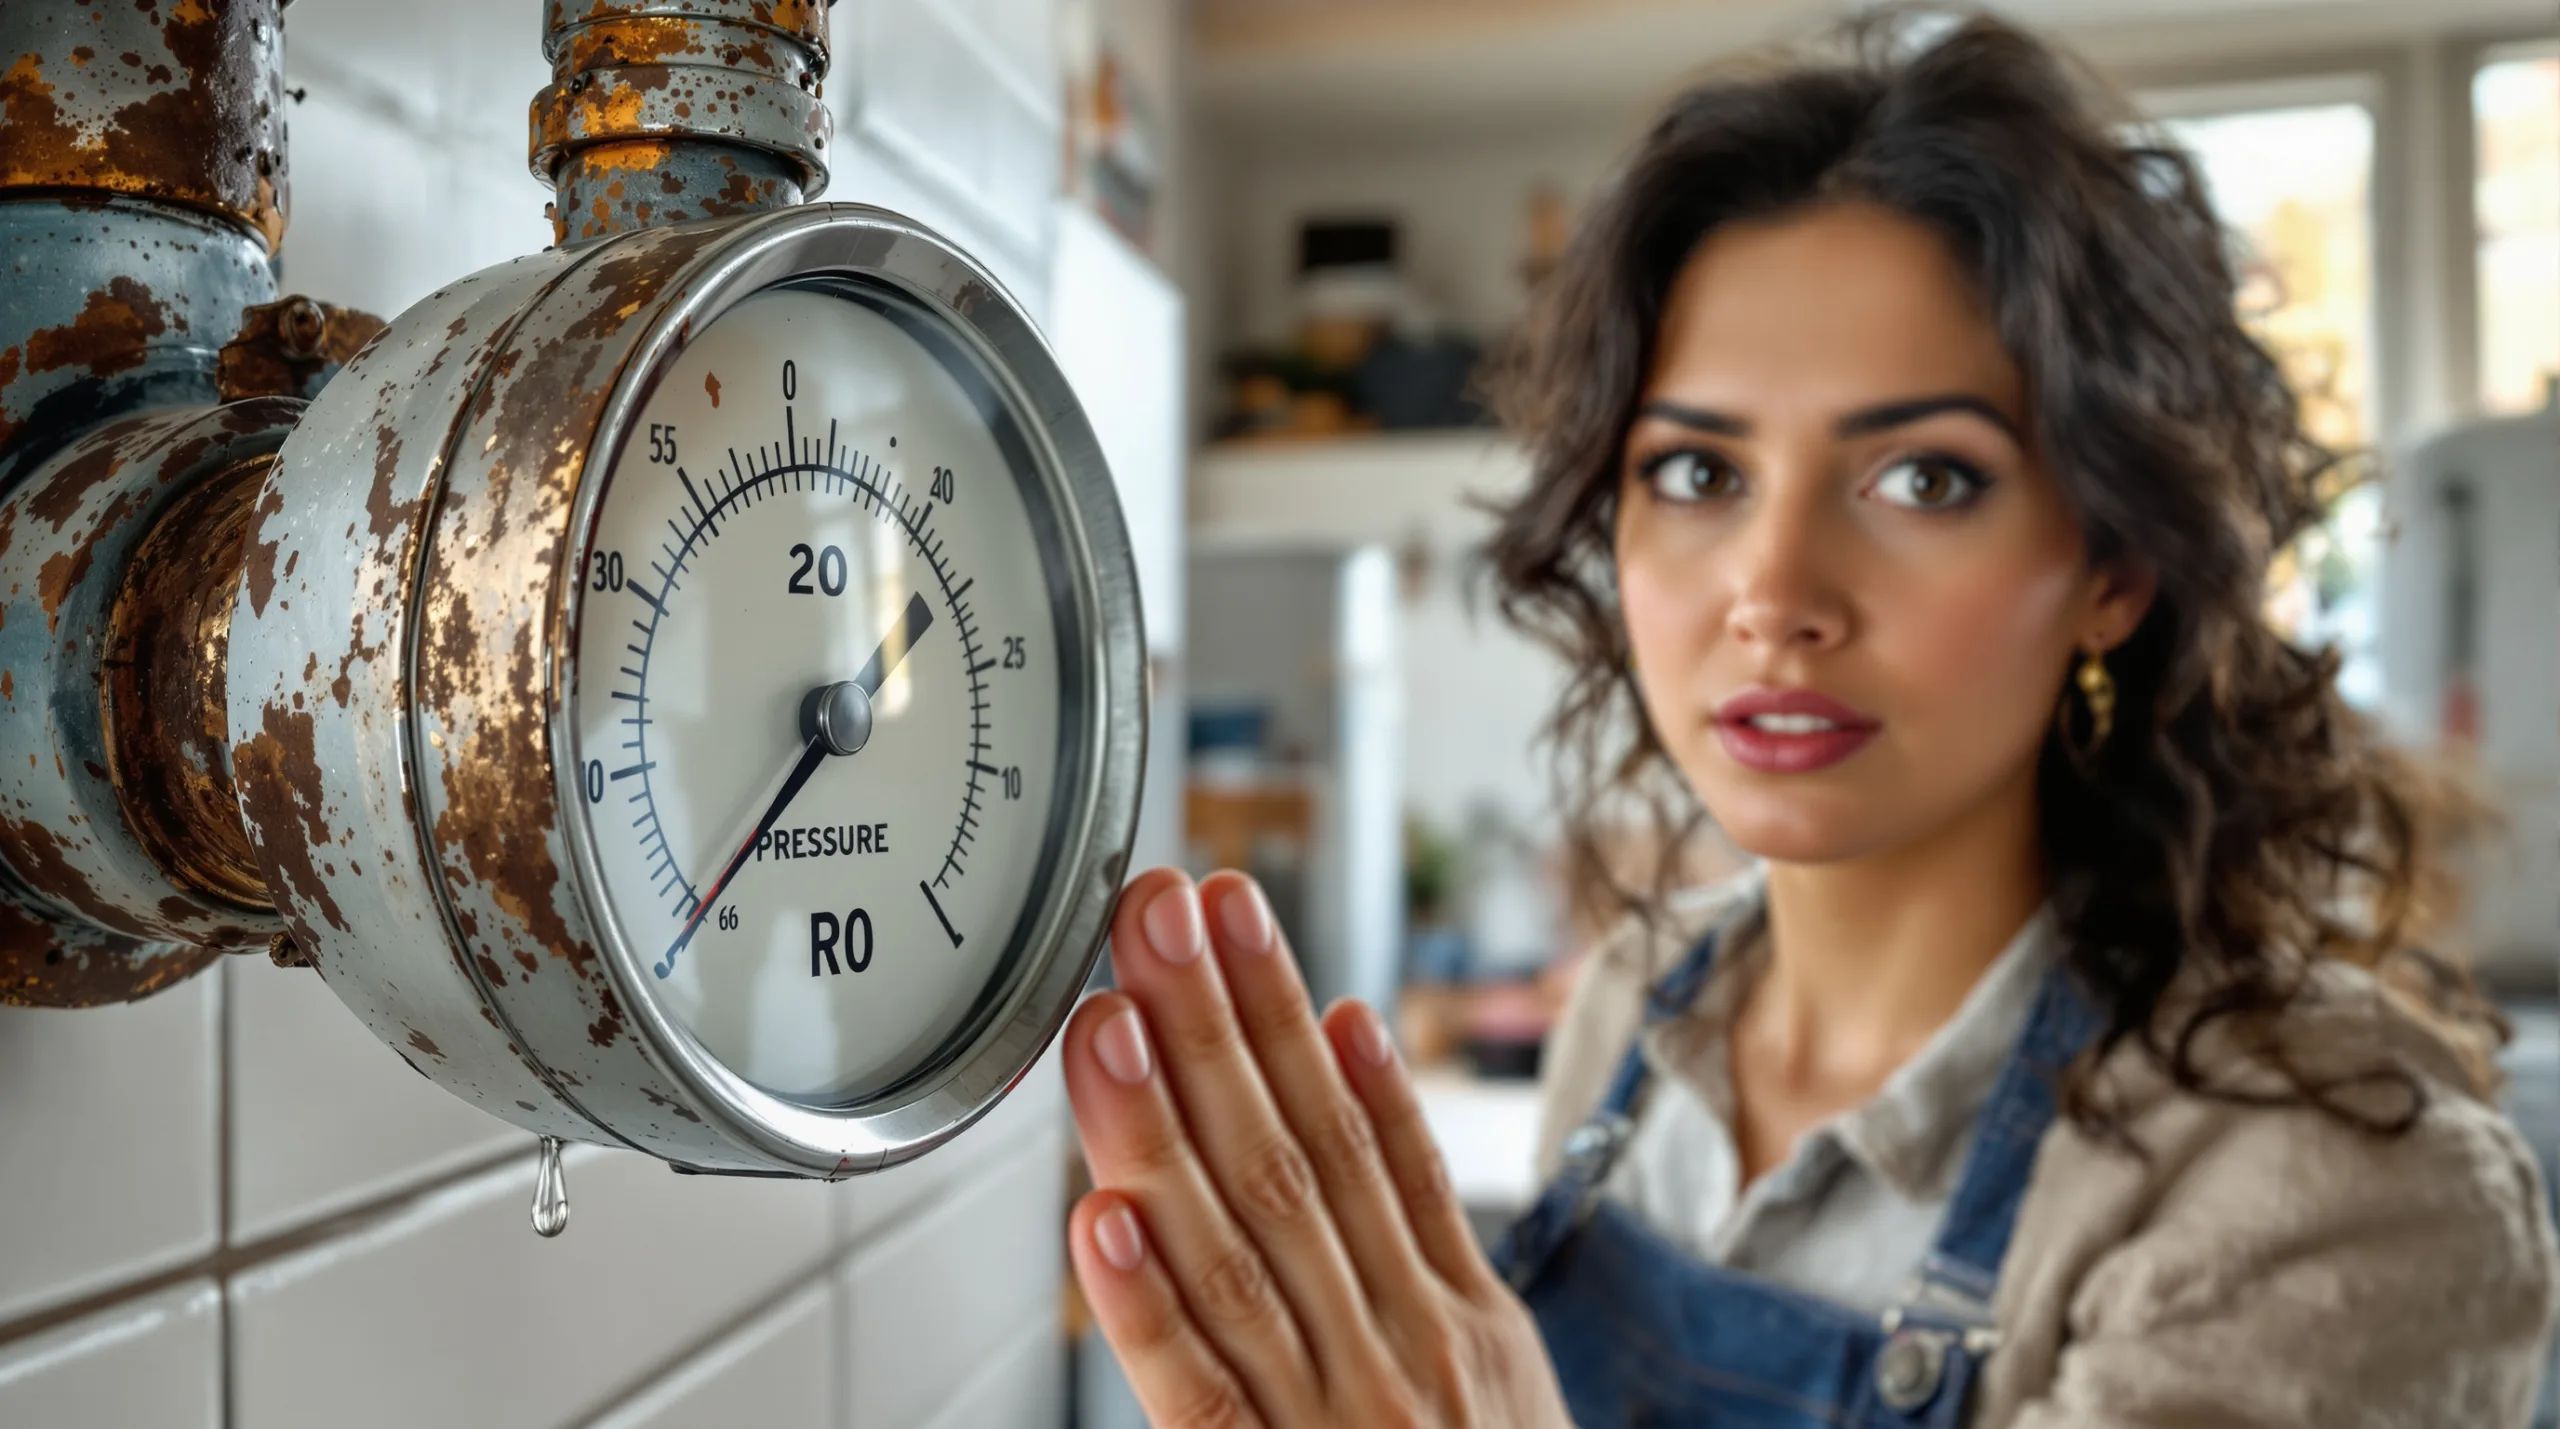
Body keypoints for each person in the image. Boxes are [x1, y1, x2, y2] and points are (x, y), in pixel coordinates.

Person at [1057, 10, 2560, 1427]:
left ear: (2115, 566)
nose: (1773, 596)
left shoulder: (2342, 1195)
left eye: (1924, 478)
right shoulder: (1635, 1013)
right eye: (1700, 475)